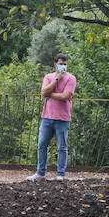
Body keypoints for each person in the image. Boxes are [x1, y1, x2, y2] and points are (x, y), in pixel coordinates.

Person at [28, 52, 76, 181]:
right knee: (42, 145)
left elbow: (65, 96)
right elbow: (43, 92)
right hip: (47, 117)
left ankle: (60, 174)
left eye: (65, 64)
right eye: (61, 64)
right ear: (55, 64)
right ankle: (40, 173)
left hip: (63, 118)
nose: (63, 66)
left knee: (62, 147)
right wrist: (57, 80)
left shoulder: (71, 78)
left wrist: (50, 94)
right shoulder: (49, 77)